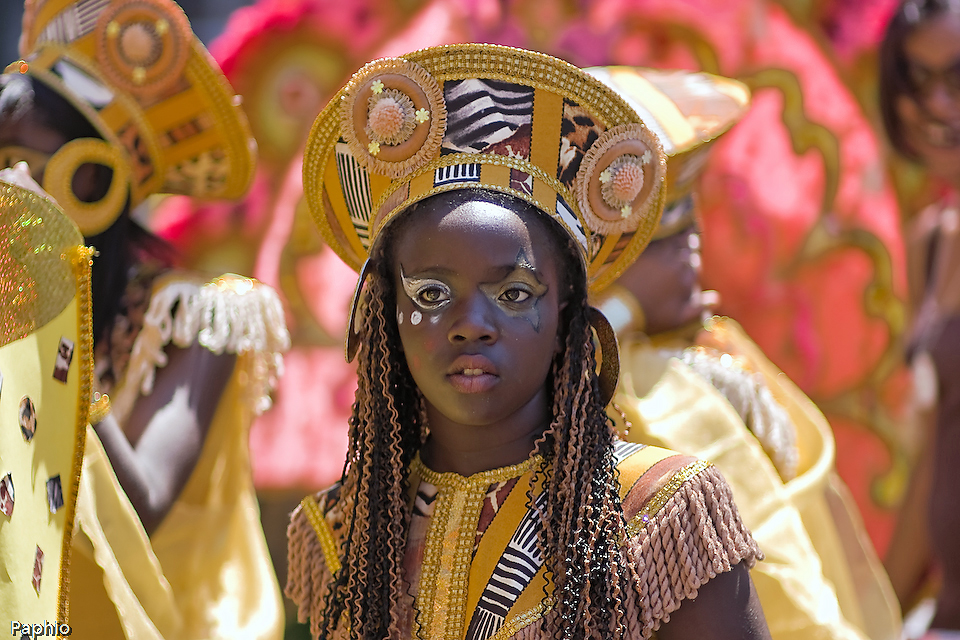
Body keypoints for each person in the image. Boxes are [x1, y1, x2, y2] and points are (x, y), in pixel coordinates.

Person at [286, 43, 770, 640]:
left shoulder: (655, 513)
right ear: (387, 312)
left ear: (566, 308)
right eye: (432, 295)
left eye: (514, 294)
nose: (472, 324)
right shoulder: (347, 534)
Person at [1, 0, 289, 638]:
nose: (10, 184)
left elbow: (142, 504)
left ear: (98, 181)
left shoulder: (202, 314)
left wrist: (51, 311)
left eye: (26, 160)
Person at [589, 66, 902, 640]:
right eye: (664, 240)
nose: (691, 253)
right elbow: (782, 584)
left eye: (689, 228)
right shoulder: (655, 384)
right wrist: (625, 308)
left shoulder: (705, 347)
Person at [879, 0, 960, 635]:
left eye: (958, 78)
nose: (936, 105)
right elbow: (937, 452)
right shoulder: (932, 241)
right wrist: (878, 614)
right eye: (915, 80)